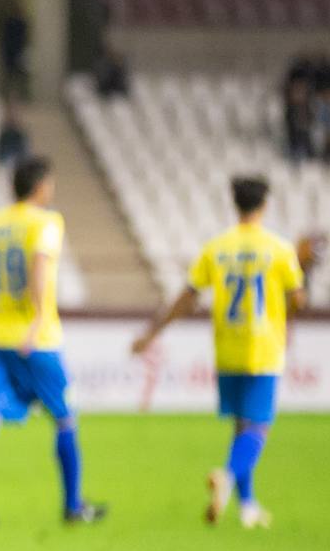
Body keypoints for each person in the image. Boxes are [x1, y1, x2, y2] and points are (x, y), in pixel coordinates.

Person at [131, 177, 314, 528]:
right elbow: (298, 299)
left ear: (235, 205)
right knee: (258, 427)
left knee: (240, 426)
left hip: (227, 347)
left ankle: (247, 506)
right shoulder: (279, 249)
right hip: (263, 347)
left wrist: (152, 333)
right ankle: (228, 477)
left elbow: (188, 296)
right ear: (264, 206)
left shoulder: (216, 248)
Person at [0, 157, 106, 528]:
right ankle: (72, 505)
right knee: (64, 418)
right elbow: (39, 269)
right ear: (42, 186)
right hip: (36, 337)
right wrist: (38, 319)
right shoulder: (45, 222)